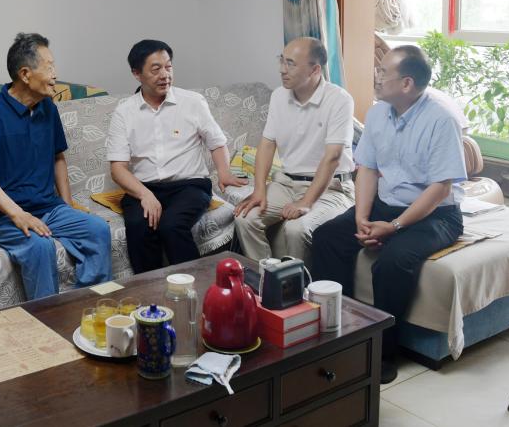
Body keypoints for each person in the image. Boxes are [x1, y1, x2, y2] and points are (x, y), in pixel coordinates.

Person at [310, 46, 465, 384]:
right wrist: (361, 218)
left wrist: (393, 227)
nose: (376, 77)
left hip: (435, 214)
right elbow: (367, 168)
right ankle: (337, 332)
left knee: (393, 262)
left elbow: (440, 189)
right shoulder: (379, 112)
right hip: (385, 204)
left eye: (383, 72)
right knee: (326, 237)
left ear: (407, 83)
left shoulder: (441, 120)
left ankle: (381, 354)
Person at [0, 33, 112, 300]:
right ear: (25, 74)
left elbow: (58, 158)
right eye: (49, 67)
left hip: (49, 208)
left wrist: (67, 205)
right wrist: (17, 214)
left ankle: (89, 307)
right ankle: (47, 317)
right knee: (40, 246)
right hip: (2, 217)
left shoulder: (48, 108)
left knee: (98, 230)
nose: (55, 74)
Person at [106, 39, 247, 274]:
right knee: (138, 225)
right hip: (144, 187)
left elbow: (216, 142)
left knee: (171, 225)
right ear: (136, 73)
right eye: (156, 69)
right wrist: (145, 195)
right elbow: (118, 168)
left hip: (189, 186)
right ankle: (149, 289)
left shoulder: (192, 102)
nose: (165, 75)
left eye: (168, 67)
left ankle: (195, 286)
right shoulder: (124, 111)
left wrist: (224, 173)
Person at [233, 37, 355, 264]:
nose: (282, 69)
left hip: (331, 188)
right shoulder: (279, 96)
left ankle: (298, 285)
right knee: (245, 218)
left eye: (290, 63)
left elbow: (333, 157)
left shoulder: (339, 100)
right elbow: (267, 144)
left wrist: (306, 202)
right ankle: (266, 277)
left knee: (296, 229)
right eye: (281, 60)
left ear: (315, 69)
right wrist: (259, 190)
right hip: (286, 183)